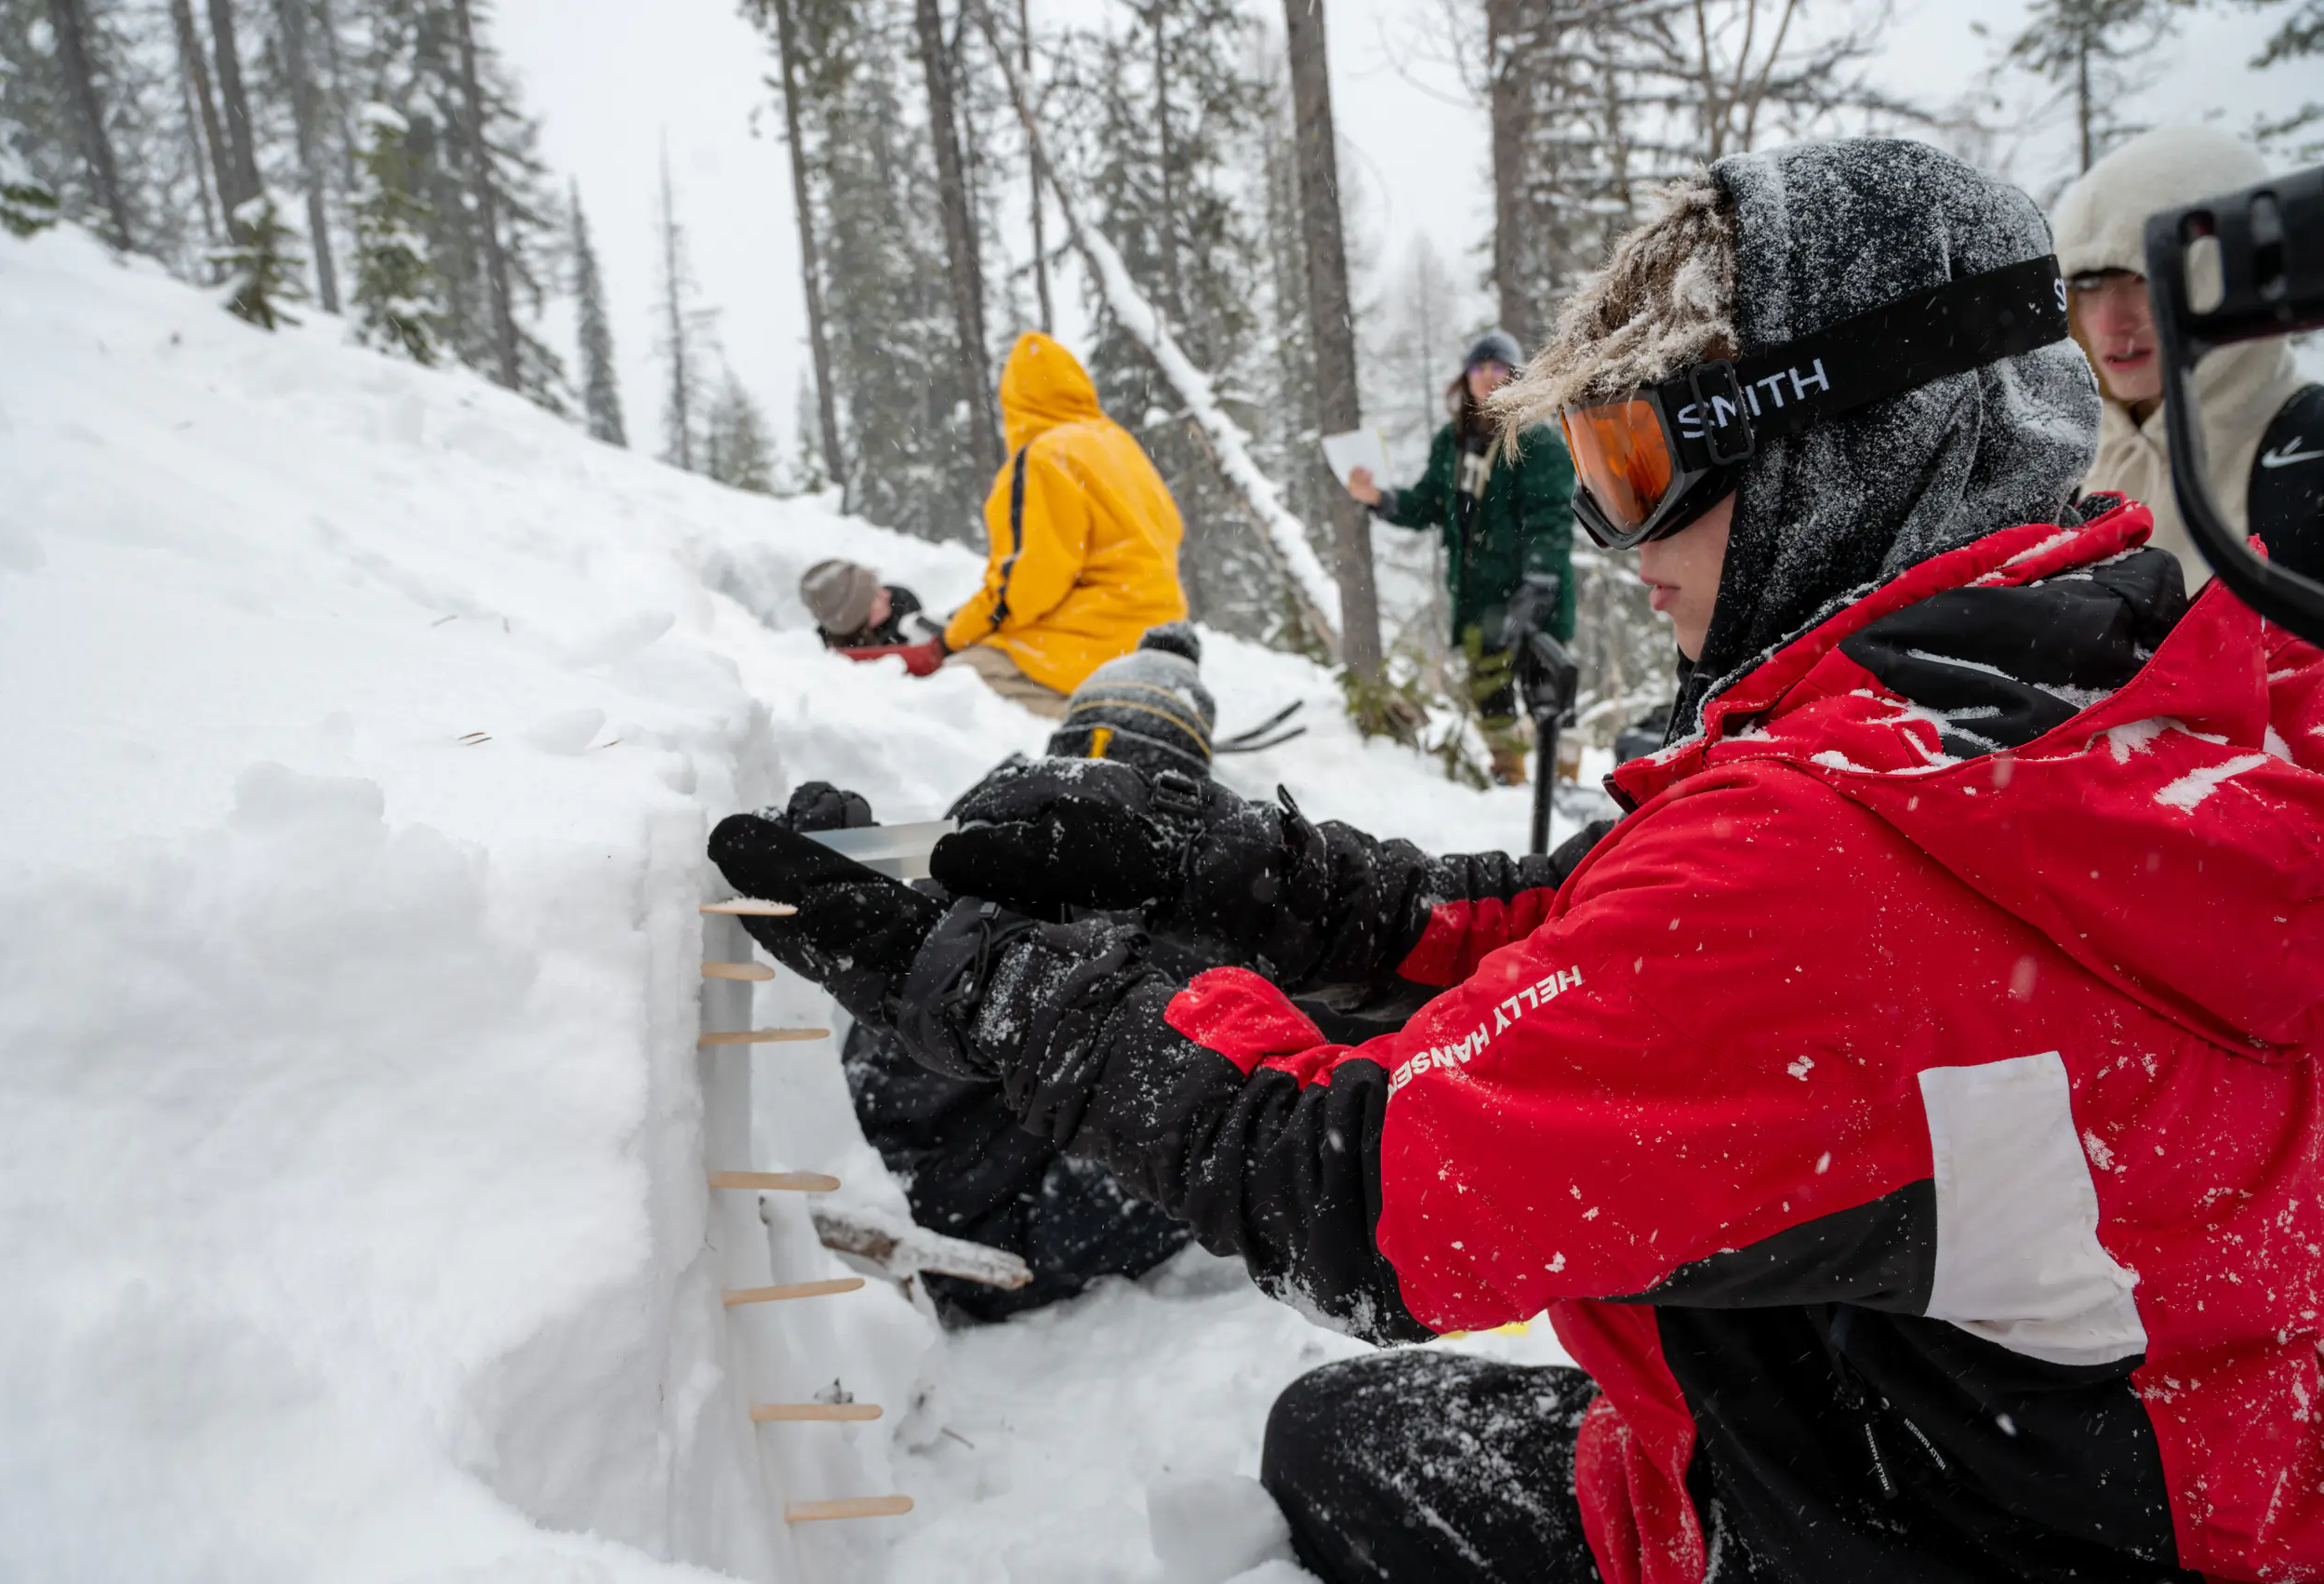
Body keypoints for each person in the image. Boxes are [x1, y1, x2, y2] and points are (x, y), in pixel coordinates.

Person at [709, 139, 2324, 1583]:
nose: (1617, 553)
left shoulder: (1830, 867)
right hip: (2034, 1462)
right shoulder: (2090, 680)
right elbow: (1616, 906)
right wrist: (1259, 871)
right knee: (1336, 1440)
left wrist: (994, 985)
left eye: (1639, 468)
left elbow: (1349, 1181)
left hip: (1929, 1520)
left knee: (1331, 1434)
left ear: (1845, 449)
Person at [803, 626, 1221, 1323]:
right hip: (989, 1243)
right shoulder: (1163, 882)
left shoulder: (990, 814)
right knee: (1213, 1113)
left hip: (863, 1157)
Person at [2052, 126, 2324, 586]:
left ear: (2231, 272)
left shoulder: (2309, 459)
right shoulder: (2067, 469)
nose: (2112, 323)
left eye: (2145, 278)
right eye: (2089, 286)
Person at [884, 333, 1189, 719]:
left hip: (1088, 656)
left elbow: (1026, 585)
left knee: (955, 688)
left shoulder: (1044, 458)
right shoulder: (1119, 445)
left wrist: (951, 639)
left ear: (1014, 402)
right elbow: (1171, 531)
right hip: (1159, 648)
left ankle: (1084, 715)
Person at [1345, 331, 1578, 786]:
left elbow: (1550, 517)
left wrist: (1540, 583)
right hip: (1478, 593)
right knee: (1488, 688)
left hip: (1533, 591)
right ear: (1466, 378)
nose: (1488, 378)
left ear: (1515, 376)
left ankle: (1566, 781)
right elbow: (1429, 505)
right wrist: (1379, 499)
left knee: (1545, 689)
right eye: (1479, 369)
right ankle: (1510, 777)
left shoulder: (1536, 440)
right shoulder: (1451, 443)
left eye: (1498, 368)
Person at [799, 558, 935, 650]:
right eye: (875, 596)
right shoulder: (822, 659)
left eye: (878, 586)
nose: (887, 594)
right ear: (857, 619)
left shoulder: (901, 604)